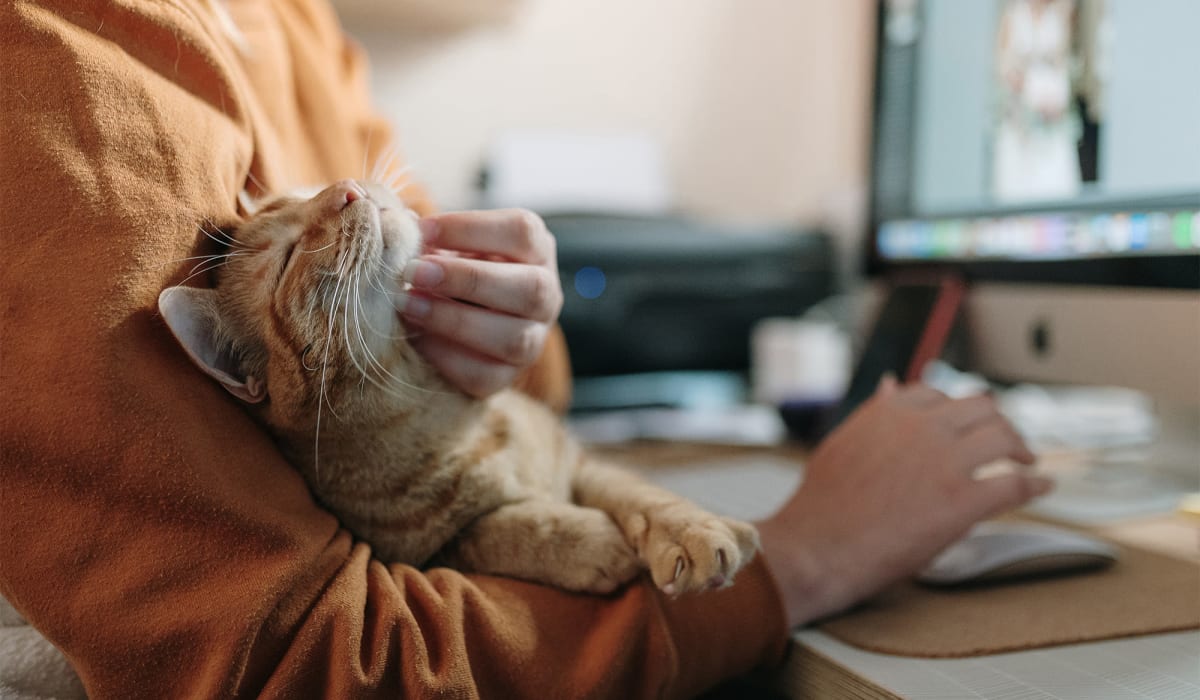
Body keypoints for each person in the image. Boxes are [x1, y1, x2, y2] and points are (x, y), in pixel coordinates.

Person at [0, 1, 1051, 697]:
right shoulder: (52, 67)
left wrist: (500, 334)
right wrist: (806, 557)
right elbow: (300, 661)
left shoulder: (298, 23)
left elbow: (519, 401)